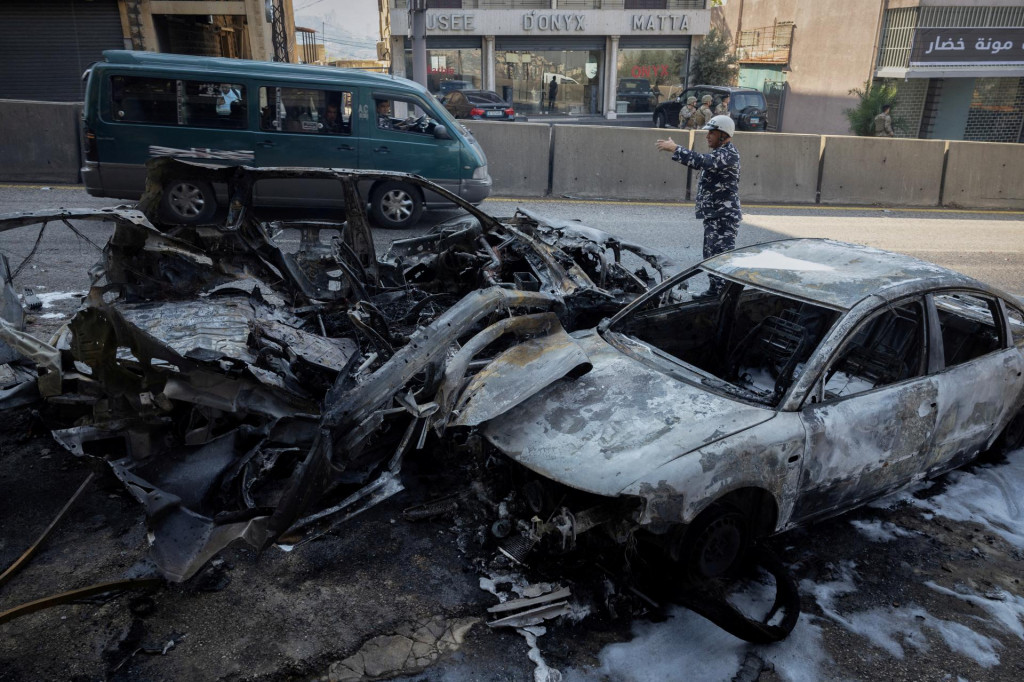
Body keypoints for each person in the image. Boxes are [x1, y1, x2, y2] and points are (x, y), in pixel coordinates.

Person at [655, 115, 741, 293]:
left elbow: (702, 161)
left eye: (712, 132)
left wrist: (675, 149)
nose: (707, 136)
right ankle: (714, 291)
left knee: (721, 258)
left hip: (724, 217)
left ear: (723, 135)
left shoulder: (728, 154)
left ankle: (723, 296)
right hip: (714, 215)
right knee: (711, 256)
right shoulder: (720, 152)